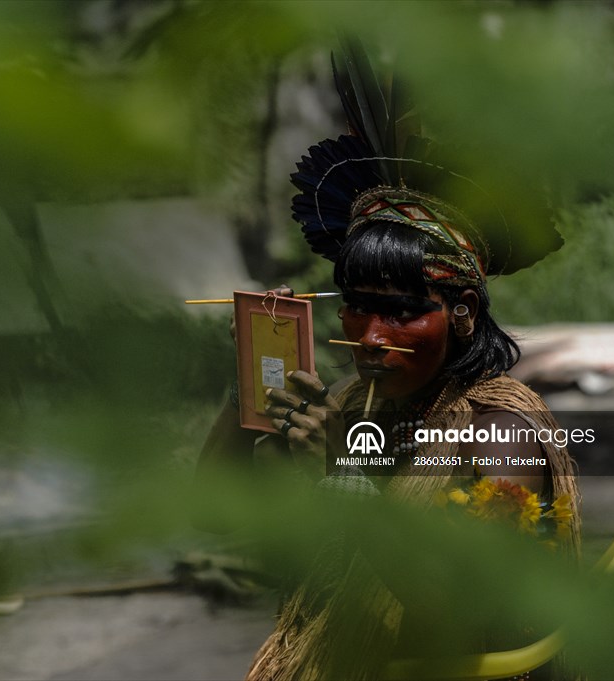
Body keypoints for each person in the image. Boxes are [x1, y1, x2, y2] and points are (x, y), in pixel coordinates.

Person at [194, 43, 580, 681]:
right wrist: (251, 387)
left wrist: (343, 475)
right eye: (356, 308)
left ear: (462, 313)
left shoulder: (501, 432)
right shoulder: (351, 407)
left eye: (402, 312)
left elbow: (465, 610)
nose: (371, 337)